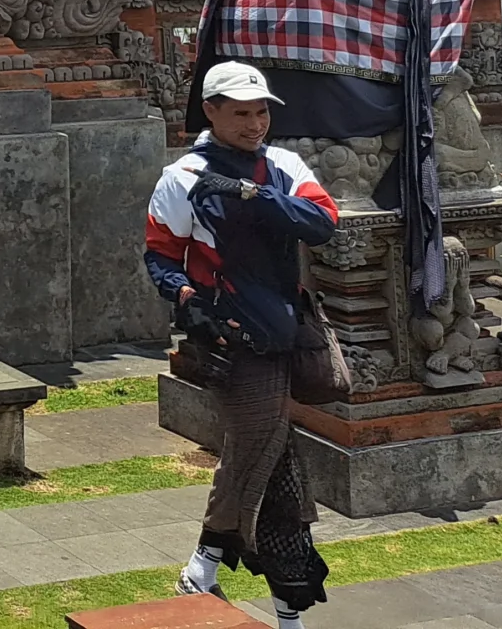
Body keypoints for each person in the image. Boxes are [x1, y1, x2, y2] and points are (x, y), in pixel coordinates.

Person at [145, 61, 343, 626]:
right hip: (229, 336)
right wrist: (186, 300)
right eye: (241, 114)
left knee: (260, 457)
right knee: (270, 462)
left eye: (261, 112)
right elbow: (160, 253)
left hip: (288, 332)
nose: (255, 124)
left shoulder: (284, 165)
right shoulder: (183, 176)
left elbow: (321, 223)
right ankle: (288, 609)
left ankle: (204, 564)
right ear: (210, 112)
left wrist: (255, 194)